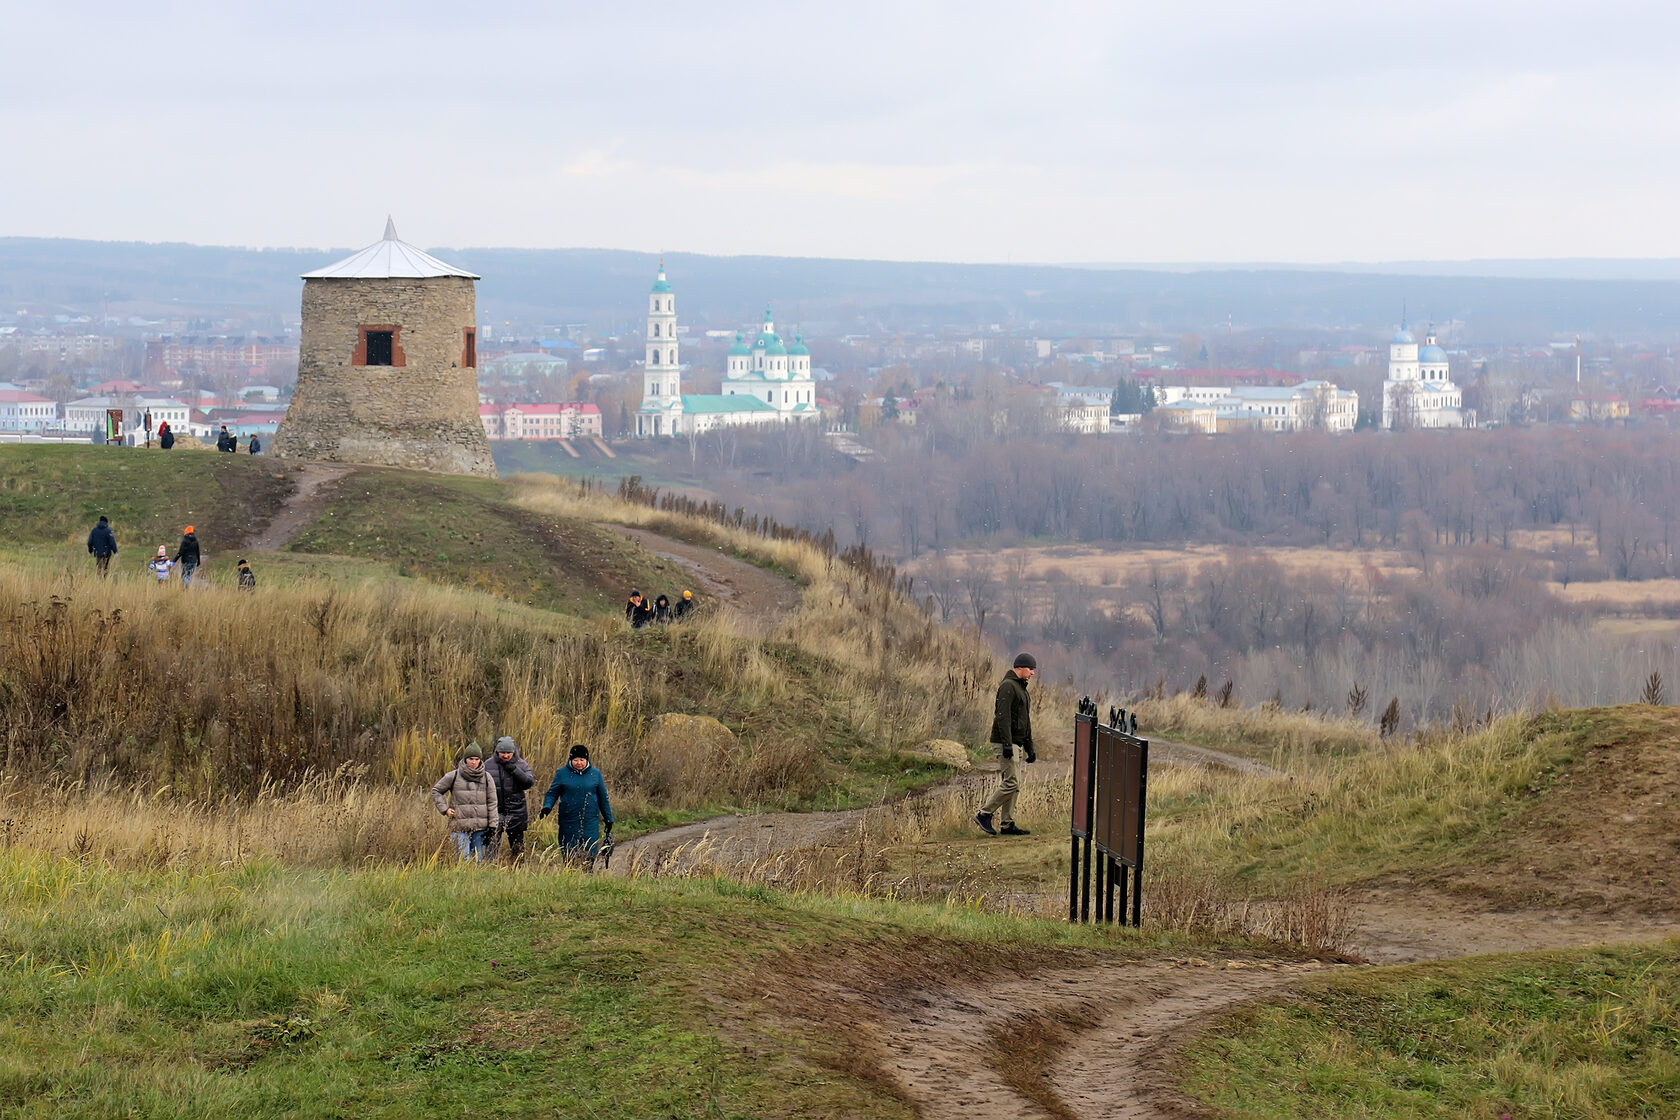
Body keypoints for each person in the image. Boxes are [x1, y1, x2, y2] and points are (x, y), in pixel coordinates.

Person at [975, 653, 1037, 837]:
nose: (1033, 673)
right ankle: (984, 814)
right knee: (1011, 783)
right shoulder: (1008, 687)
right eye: (1030, 669)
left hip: (1016, 743)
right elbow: (1003, 717)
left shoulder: (1022, 689)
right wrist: (1007, 744)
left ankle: (1007, 824)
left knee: (1015, 784)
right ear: (1019, 667)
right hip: (1005, 743)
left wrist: (1030, 747)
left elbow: (1025, 722)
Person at [540, 745, 614, 868]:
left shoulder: (595, 774)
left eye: (582, 760)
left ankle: (587, 876)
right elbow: (552, 793)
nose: (579, 763)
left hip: (589, 820)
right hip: (568, 820)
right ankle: (569, 877)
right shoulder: (562, 773)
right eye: (575, 760)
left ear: (587, 760)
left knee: (590, 852)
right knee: (569, 853)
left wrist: (608, 818)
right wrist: (547, 807)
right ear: (570, 760)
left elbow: (603, 798)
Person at [431, 742, 499, 862]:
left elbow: (492, 803)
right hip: (459, 826)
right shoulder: (454, 775)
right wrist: (445, 809)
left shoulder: (487, 778)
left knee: (477, 861)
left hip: (480, 828)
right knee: (462, 860)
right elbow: (436, 791)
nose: (473, 762)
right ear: (465, 759)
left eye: (476, 759)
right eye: (471, 759)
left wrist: (493, 826)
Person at [484, 736, 535, 861]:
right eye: (503, 753)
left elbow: (529, 783)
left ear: (513, 752)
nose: (506, 756)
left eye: (508, 753)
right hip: (495, 812)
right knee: (491, 847)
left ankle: (519, 872)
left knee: (518, 850)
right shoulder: (487, 765)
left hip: (516, 812)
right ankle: (490, 871)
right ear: (497, 751)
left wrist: (514, 770)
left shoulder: (521, 764)